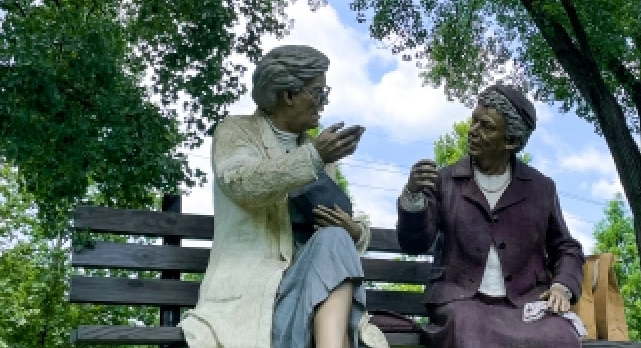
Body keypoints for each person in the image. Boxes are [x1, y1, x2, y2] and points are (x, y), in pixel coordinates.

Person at [178, 45, 388, 348]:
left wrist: (355, 232)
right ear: (288, 95)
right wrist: (313, 157)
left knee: (337, 239)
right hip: (258, 297)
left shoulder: (318, 152)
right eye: (318, 92)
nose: (324, 103)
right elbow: (242, 183)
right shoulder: (236, 131)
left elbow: (333, 226)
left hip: (313, 295)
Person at [396, 84, 585, 348]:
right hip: (461, 300)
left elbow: (567, 248)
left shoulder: (541, 188)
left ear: (512, 141)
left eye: (487, 127)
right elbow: (414, 244)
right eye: (474, 120)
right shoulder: (446, 180)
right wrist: (413, 196)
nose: (473, 131)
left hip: (525, 303)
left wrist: (561, 287)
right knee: (470, 336)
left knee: (561, 338)